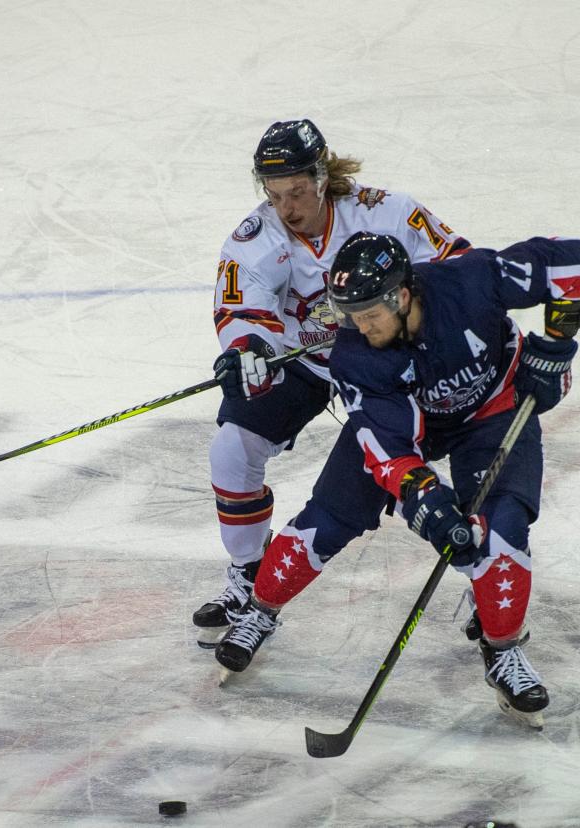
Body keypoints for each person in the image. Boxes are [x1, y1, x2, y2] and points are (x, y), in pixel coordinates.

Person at [213, 230, 580, 727]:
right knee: (326, 521)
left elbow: (574, 264)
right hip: (409, 425)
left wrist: (556, 346)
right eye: (350, 315)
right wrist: (427, 504)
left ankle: (503, 650)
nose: (359, 326)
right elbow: (388, 451)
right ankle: (260, 611)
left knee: (502, 531)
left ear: (403, 295)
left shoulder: (471, 280)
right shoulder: (356, 356)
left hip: (493, 414)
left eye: (370, 313)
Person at [195, 119, 470, 646]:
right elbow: (241, 305)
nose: (287, 208)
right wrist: (249, 349)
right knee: (231, 449)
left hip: (387, 365)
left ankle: (486, 587)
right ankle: (249, 571)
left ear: (323, 177)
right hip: (305, 362)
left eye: (297, 191)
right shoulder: (256, 237)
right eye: (274, 195)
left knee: (449, 475)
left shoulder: (386, 211)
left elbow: (457, 264)